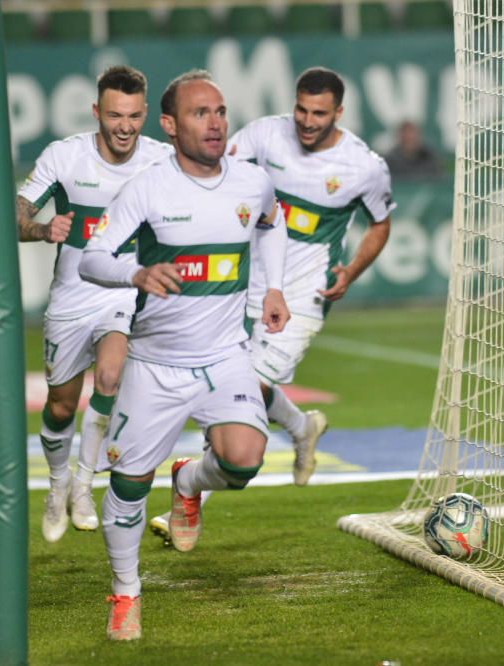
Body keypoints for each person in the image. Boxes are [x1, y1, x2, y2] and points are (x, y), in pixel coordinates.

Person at [78, 69, 289, 641]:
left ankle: (190, 482)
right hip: (155, 362)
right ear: (169, 125)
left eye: (220, 111)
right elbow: (91, 259)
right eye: (201, 113)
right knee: (126, 486)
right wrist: (137, 272)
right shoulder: (148, 188)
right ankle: (125, 593)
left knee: (244, 460)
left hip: (225, 354)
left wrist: (271, 285)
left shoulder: (251, 182)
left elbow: (273, 224)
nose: (216, 122)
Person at [148, 66, 395, 542]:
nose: (307, 120)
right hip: (242, 283)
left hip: (303, 294)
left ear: (338, 112)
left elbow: (380, 223)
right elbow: (217, 173)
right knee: (242, 384)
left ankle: (191, 490)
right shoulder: (264, 134)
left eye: (319, 113)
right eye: (301, 108)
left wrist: (353, 269)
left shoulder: (363, 166)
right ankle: (301, 428)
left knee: (246, 382)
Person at [17, 65, 171, 543]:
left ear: (144, 113)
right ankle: (58, 481)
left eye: (132, 116)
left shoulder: (162, 160)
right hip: (70, 296)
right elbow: (16, 213)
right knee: (61, 407)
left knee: (110, 375)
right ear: (96, 113)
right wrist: (43, 229)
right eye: (113, 116)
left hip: (124, 293)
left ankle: (84, 484)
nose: (124, 126)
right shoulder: (65, 157)